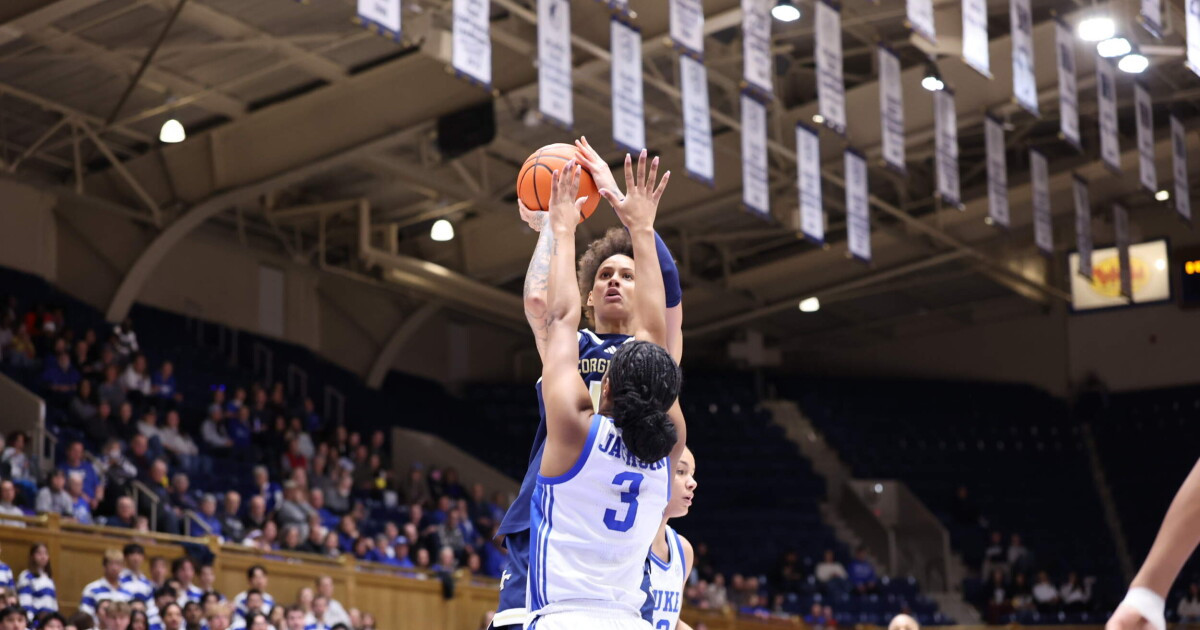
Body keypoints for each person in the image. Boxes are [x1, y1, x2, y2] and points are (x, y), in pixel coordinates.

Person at [492, 145, 683, 629]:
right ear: (590, 296)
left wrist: (558, 226)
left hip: (568, 530)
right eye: (604, 274)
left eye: (628, 274)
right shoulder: (658, 394)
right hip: (599, 548)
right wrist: (638, 223)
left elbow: (554, 313)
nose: (615, 280)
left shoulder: (577, 414)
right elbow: (544, 303)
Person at [649, 447, 698, 630]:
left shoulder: (683, 550)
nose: (692, 483)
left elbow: (673, 622)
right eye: (680, 471)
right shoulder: (628, 543)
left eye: (692, 474)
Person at [80, 549, 133, 624]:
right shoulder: (91, 589)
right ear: (104, 565)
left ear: (123, 567)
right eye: (111, 563)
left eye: (118, 564)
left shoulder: (128, 591)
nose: (115, 568)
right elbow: (85, 615)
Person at [16, 543, 55, 618]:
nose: (43, 556)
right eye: (39, 553)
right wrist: (29, 620)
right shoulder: (26, 576)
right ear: (32, 556)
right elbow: (24, 602)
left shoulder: (49, 578)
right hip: (35, 621)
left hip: (48, 621)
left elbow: (53, 603)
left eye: (45, 553)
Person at [119, 545, 155, 617]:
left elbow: (151, 605)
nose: (136, 557)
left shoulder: (147, 583)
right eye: (132, 554)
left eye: (139, 554)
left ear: (143, 558)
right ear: (125, 557)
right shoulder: (119, 579)